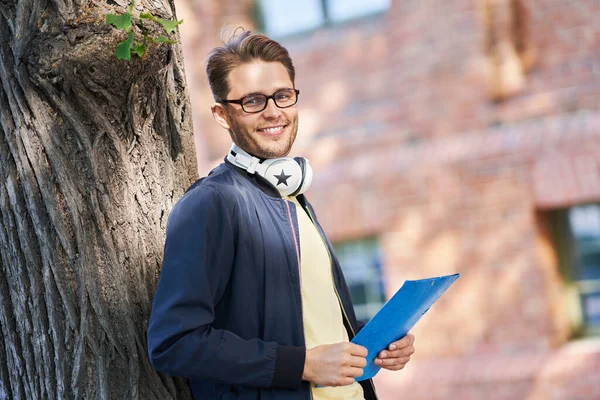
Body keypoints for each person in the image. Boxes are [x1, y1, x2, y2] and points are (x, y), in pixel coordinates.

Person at [147, 30, 415, 400]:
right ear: (222, 115)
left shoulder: (295, 200)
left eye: (282, 96)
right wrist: (302, 365)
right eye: (253, 101)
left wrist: (377, 343)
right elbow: (174, 341)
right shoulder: (212, 203)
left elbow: (304, 322)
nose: (273, 111)